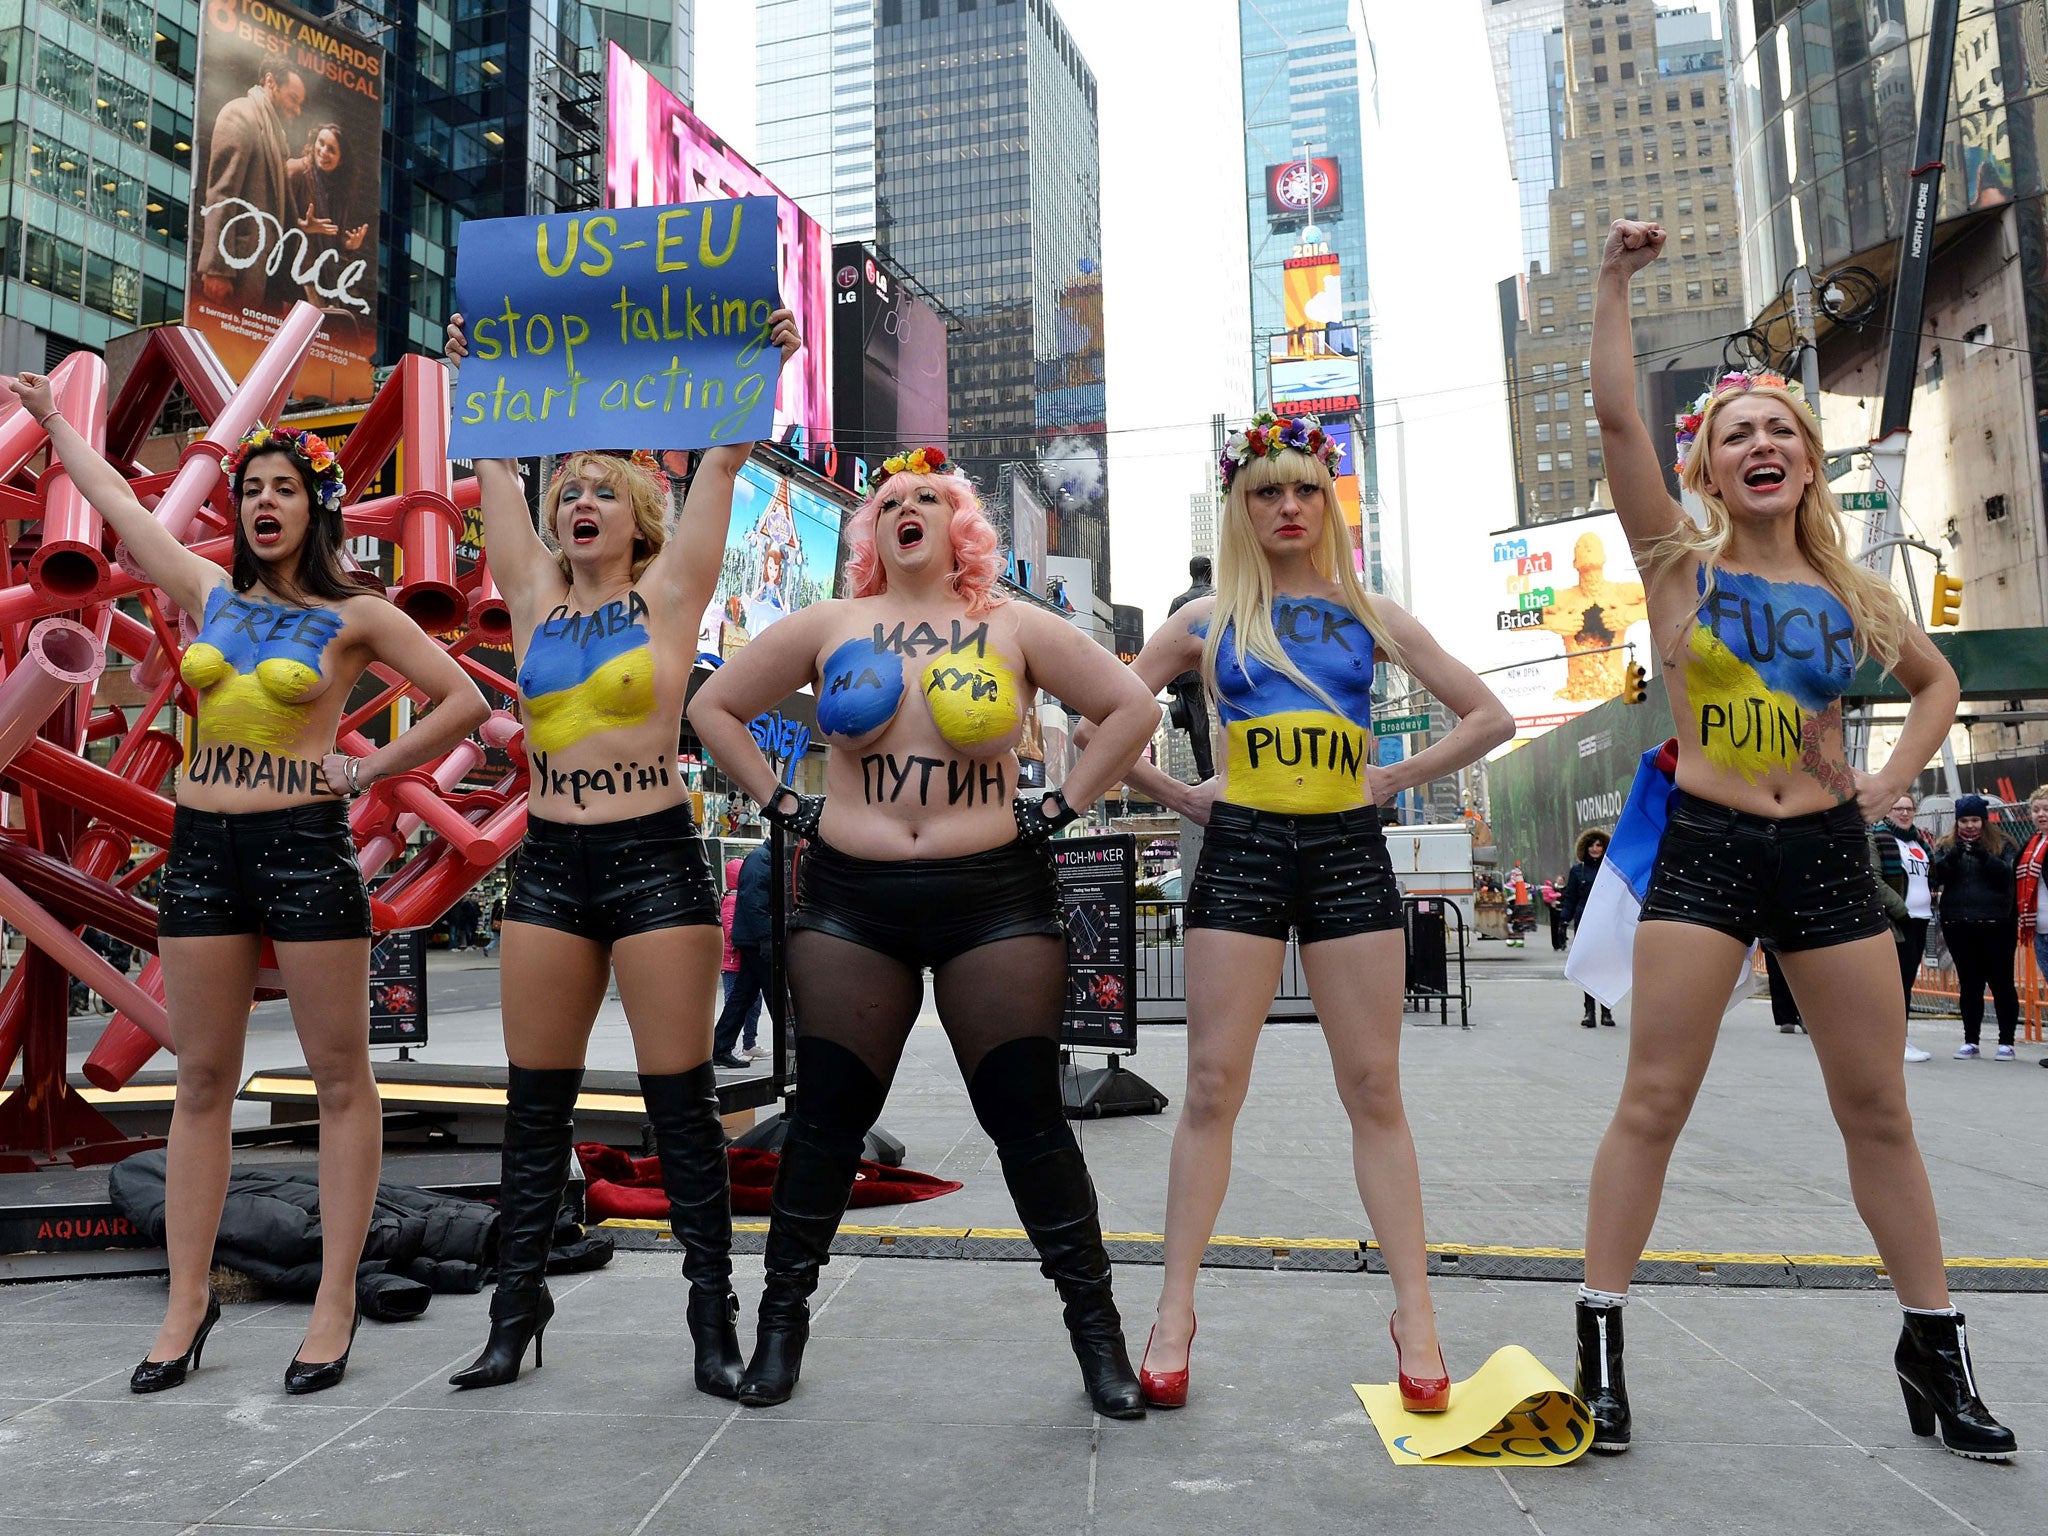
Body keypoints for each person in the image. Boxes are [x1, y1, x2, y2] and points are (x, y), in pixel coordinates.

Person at [1573, 220, 2013, 1461]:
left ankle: (1933, 1349)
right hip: (1706, 846)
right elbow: (1614, 426)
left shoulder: (1849, 595)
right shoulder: (1677, 568)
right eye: (1733, 435)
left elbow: (1930, 684)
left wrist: (1884, 784)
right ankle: (1599, 1347)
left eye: (1777, 431)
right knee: (1652, 1098)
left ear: (1806, 462)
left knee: (1876, 1110)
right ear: (1705, 470)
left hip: (1824, 856)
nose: (1758, 446)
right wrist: (1610, 285)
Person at [6, 376, 489, 1394]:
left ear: (314, 507)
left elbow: (457, 699)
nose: (263, 503)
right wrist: (52, 424)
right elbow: (129, 515)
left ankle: (335, 1301)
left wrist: (365, 772)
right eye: (251, 489)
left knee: (341, 1080)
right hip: (203, 854)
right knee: (201, 1082)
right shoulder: (211, 594)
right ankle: (188, 1300)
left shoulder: (353, 614)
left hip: (306, 849)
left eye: (284, 488)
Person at [687, 444, 1163, 1417]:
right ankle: (779, 1332)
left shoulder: (1014, 624)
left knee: (1026, 1120)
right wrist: (786, 805)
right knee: (825, 1118)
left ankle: (1098, 1341)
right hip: (851, 899)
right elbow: (712, 706)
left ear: (960, 526)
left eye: (929, 499)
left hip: (996, 894)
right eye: (891, 500)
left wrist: (1061, 806)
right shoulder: (828, 624)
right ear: (873, 531)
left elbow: (1129, 707)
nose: (907, 508)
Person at [1093, 410, 1512, 1413]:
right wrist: (1183, 794)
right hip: (1237, 848)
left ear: (1329, 503)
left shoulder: (1369, 614)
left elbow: (1487, 716)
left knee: (1372, 1085)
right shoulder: (1203, 621)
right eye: (1265, 492)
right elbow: (1097, 714)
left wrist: (1392, 777)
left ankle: (1414, 1313)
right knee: (1207, 1085)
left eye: (1305, 490)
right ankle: (1173, 1312)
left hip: (1344, 851)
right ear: (1240, 507)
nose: (1286, 506)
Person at [439, 306, 802, 1397]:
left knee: (677, 1096)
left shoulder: (670, 593)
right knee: (533, 1100)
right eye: (569, 491)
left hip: (653, 856)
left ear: (639, 515)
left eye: (601, 488)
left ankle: (709, 1319)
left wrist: (761, 361)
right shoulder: (534, 599)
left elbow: (727, 455)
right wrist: (477, 373)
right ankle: (516, 1310)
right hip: (548, 864)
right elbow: (497, 462)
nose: (579, 500)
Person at [196, 65, 307, 311]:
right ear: (271, 81)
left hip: (264, 279)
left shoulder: (275, 134)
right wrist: (217, 269)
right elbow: (222, 193)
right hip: (237, 274)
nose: (297, 110)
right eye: (293, 98)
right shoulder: (240, 114)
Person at [1932, 795, 2019, 1061]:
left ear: (1984, 820)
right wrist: (1954, 856)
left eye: (1975, 820)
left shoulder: (2003, 843)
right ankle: (1971, 1040)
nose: (1970, 826)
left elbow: (2006, 876)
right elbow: (1935, 877)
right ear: (1957, 822)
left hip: (1997, 922)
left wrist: (1983, 856)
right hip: (1959, 921)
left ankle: (2006, 1041)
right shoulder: (1946, 846)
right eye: (1964, 821)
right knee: (1970, 984)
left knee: (2001, 982)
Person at [1871, 794, 1936, 1063]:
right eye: (1898, 808)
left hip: (1922, 920)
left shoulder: (1921, 843)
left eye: (1909, 809)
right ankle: (1896, 1042)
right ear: (1888, 812)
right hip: (1899, 922)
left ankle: (1900, 1039)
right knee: (1897, 986)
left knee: (1906, 982)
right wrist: (1900, 910)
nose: (1904, 813)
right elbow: (1873, 879)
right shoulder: (1878, 839)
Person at [284, 123, 370, 304]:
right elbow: (271, 216)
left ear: (342, 159)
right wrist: (302, 226)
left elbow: (330, 242)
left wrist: (348, 245)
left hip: (322, 283)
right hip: (291, 280)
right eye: (320, 143)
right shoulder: (295, 170)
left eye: (331, 150)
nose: (323, 151)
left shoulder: (339, 192)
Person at [714, 843, 771, 1067]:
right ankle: (794, 1048)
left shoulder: (763, 859)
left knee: (743, 995)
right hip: (756, 940)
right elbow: (754, 903)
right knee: (775, 993)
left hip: (753, 938)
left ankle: (720, 1046)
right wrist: (765, 937)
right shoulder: (761, 860)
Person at [1561, 830, 1614, 1027]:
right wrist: (1564, 921)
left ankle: (1606, 1011)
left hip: (1606, 922)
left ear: (1604, 847)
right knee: (1588, 967)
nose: (1595, 849)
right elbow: (1571, 898)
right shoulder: (1577, 871)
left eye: (1599, 845)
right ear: (1585, 847)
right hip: (1584, 921)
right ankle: (1589, 1012)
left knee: (1605, 967)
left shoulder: (1610, 870)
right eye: (1591, 845)